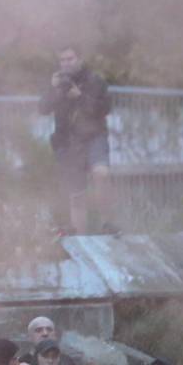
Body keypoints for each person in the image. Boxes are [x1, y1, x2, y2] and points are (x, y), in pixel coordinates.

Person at [38, 47, 110, 235]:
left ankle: (107, 223)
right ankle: (82, 239)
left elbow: (103, 109)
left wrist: (80, 97)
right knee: (76, 193)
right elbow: (42, 108)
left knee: (101, 174)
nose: (66, 63)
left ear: (80, 59)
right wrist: (54, 90)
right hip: (68, 141)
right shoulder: (57, 84)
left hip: (94, 136)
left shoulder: (95, 81)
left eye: (70, 59)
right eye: (62, 60)